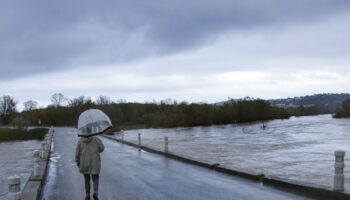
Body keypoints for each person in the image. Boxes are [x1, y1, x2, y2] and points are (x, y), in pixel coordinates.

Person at [75, 135, 104, 200]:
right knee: (95, 178)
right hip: (95, 162)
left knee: (86, 179)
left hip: (84, 163)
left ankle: (87, 194)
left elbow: (77, 153)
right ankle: (95, 192)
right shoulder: (96, 139)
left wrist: (77, 161)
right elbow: (102, 148)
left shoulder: (80, 140)